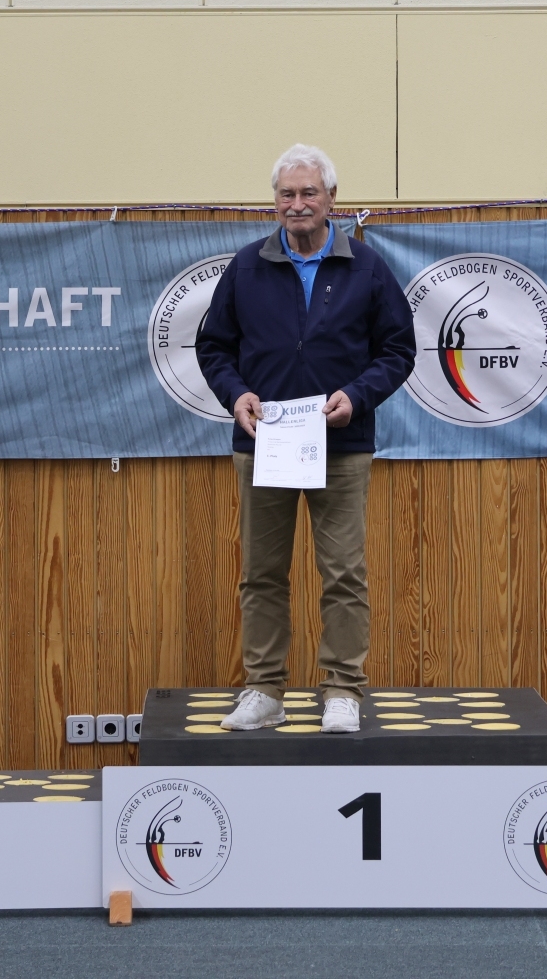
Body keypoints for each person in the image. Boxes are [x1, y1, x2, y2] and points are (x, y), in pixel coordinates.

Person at [195, 143, 416, 733]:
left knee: (344, 574)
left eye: (308, 193)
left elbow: (398, 350)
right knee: (261, 574)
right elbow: (213, 347)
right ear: (275, 200)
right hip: (264, 445)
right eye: (287, 193)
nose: (297, 203)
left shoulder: (366, 267)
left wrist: (358, 396)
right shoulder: (246, 266)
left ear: (331, 199)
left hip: (341, 447)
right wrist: (235, 394)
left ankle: (342, 689)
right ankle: (264, 691)